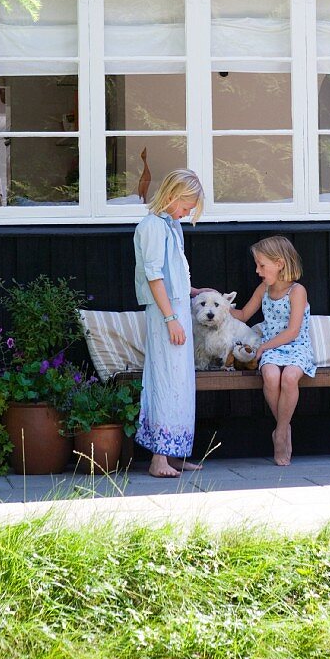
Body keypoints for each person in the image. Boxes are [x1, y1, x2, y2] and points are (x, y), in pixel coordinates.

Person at [133, 169, 207, 478]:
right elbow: (154, 275)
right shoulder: (152, 226)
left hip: (175, 309)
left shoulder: (171, 226)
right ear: (173, 195)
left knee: (180, 382)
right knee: (164, 379)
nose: (187, 212)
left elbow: (171, 272)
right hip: (165, 314)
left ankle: (174, 452)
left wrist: (192, 291)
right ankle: (158, 459)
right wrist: (171, 318)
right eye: (187, 206)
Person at [231, 236, 316, 466]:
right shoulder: (264, 289)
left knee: (289, 377)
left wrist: (262, 348)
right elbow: (243, 315)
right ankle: (284, 429)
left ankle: (279, 434)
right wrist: (216, 303)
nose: (258, 270)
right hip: (271, 348)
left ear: (279, 264)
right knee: (270, 375)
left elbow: (293, 331)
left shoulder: (297, 291)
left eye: (261, 265)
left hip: (295, 346)